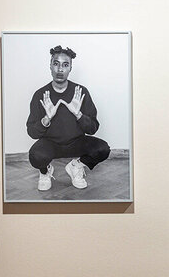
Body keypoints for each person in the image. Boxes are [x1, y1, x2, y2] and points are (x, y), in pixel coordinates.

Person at [26, 46, 110, 191]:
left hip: (77, 142)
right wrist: (46, 118)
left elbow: (93, 128)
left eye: (65, 65)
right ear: (50, 66)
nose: (60, 69)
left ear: (70, 68)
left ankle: (75, 167)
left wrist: (78, 114)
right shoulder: (40, 95)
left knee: (103, 149)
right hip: (51, 144)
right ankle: (45, 171)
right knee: (35, 156)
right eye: (56, 63)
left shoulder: (81, 92)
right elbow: (32, 132)